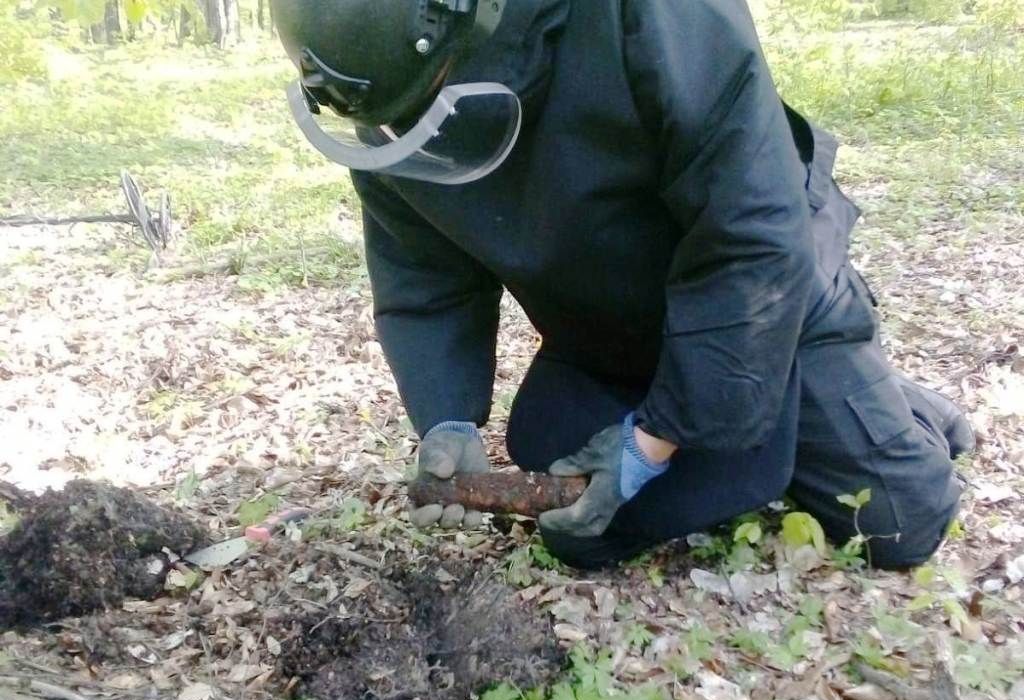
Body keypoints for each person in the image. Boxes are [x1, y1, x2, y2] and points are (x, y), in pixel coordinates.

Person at [271, 0, 973, 569]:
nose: (408, 127)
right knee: (571, 505)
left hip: (766, 291)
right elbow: (423, 273)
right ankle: (721, 411)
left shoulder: (659, 16)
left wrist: (649, 446)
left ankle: (883, 400)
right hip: (603, 310)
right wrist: (445, 417)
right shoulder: (384, 94)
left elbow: (753, 235)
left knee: (898, 523)